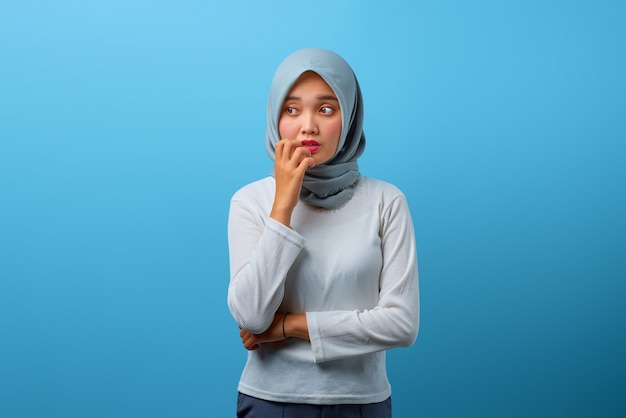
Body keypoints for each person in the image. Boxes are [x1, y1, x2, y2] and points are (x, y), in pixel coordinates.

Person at [227, 47, 419, 418]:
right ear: (275, 117)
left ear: (349, 117)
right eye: (292, 109)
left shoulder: (386, 200)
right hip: (270, 401)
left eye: (326, 109)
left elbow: (401, 324)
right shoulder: (250, 201)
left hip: (361, 403)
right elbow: (251, 317)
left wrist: (288, 327)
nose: (308, 126)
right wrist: (283, 204)